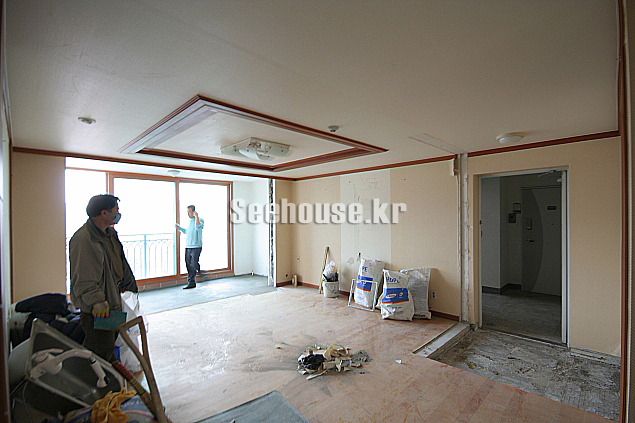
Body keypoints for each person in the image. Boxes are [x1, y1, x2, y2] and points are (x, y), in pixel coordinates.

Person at [69, 194, 137, 362]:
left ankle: (109, 376)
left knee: (109, 346)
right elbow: (84, 277)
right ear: (104, 213)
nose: (118, 214)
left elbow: (118, 263)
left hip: (111, 301)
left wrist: (127, 284)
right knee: (99, 351)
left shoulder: (109, 235)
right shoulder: (85, 239)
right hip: (99, 308)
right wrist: (97, 301)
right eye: (116, 210)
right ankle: (97, 378)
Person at [176, 205, 204, 289]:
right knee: (188, 265)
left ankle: (199, 270)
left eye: (190, 212)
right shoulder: (189, 222)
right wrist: (180, 228)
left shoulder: (200, 220)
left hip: (196, 246)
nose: (188, 213)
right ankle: (191, 283)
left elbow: (198, 227)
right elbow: (187, 231)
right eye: (187, 212)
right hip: (188, 246)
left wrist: (196, 217)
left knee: (194, 263)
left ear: (194, 212)